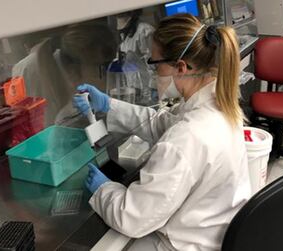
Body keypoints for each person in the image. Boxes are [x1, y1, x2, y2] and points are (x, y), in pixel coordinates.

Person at [73, 14, 251, 251]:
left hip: (182, 244)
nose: (153, 73)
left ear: (181, 67)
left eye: (154, 64)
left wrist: (103, 189)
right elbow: (162, 123)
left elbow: (132, 219)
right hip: (211, 229)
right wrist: (108, 105)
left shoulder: (187, 138)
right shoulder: (220, 105)